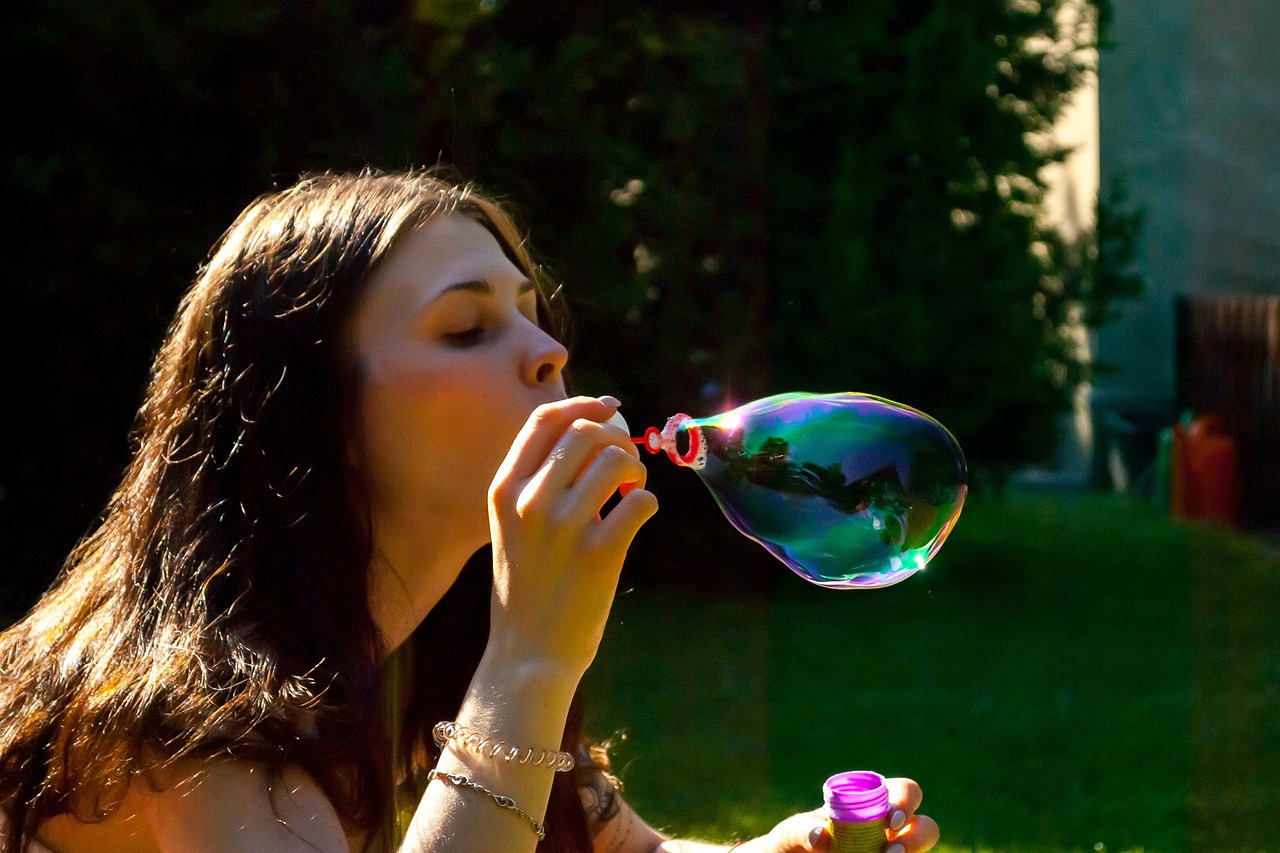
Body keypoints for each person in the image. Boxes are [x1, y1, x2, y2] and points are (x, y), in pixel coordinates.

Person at [0, 170, 940, 853]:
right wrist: (531, 659)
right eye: (466, 328)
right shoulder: (190, 724)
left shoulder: (422, 652)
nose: (545, 353)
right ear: (317, 415)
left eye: (535, 317)